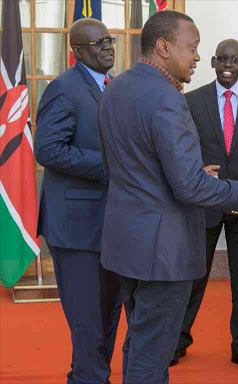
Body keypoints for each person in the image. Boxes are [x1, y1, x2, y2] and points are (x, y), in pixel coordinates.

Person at [97, 11, 238, 384]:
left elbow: (121, 167)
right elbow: (189, 187)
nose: (196, 57)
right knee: (152, 354)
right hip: (162, 251)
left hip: (126, 242)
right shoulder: (169, 99)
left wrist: (183, 175)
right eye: (192, 48)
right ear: (163, 46)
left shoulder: (116, 88)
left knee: (139, 340)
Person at [169, 39, 238, 374]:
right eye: (222, 58)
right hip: (205, 202)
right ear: (213, 62)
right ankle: (178, 342)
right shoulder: (193, 100)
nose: (228, 64)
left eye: (235, 59)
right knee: (194, 277)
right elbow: (184, 150)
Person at [34, 18, 122, 384]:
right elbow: (47, 150)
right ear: (77, 52)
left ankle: (85, 377)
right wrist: (110, 166)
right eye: (97, 43)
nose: (107, 47)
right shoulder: (64, 89)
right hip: (74, 228)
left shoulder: (114, 87)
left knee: (107, 318)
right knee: (88, 326)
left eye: (109, 39)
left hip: (112, 225)